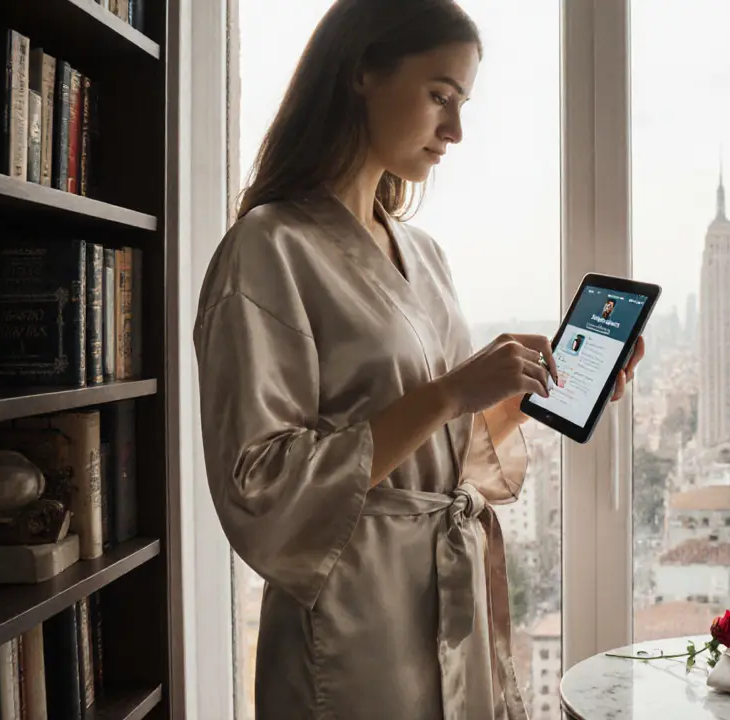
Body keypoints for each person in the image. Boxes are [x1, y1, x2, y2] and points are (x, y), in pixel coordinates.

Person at [192, 1, 644, 718]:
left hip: (446, 608)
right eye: (440, 97)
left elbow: (440, 444)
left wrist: (537, 386)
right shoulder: (267, 249)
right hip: (349, 622)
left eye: (461, 104)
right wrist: (447, 393)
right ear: (363, 73)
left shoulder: (423, 255)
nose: (456, 131)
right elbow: (261, 486)